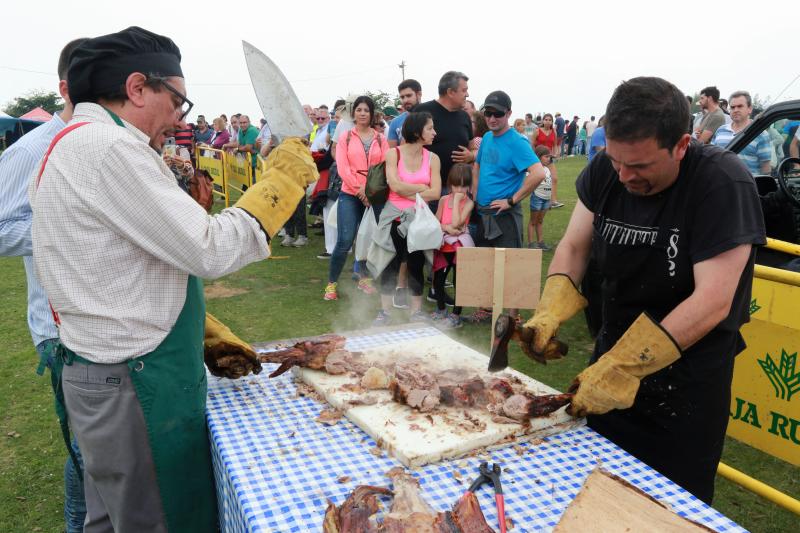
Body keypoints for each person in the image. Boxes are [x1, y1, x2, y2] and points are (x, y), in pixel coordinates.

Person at [30, 27, 318, 532]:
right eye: (179, 103)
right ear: (138, 88)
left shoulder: (78, 143)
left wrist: (197, 322)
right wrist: (283, 180)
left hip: (106, 372)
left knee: (113, 518)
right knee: (160, 522)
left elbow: (120, 267)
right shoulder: (108, 149)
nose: (180, 121)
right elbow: (210, 247)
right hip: (134, 381)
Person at [518, 76, 765, 504]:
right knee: (594, 499)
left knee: (665, 512)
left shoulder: (722, 183)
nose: (625, 176)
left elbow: (713, 301)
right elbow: (576, 244)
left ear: (682, 145)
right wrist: (550, 309)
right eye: (617, 161)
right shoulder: (604, 169)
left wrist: (626, 368)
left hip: (684, 389)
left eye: (641, 167)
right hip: (606, 364)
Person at [0, 37, 89, 533]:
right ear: (66, 89)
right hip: (59, 328)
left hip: (103, 321)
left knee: (106, 444)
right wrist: (61, 228)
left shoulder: (97, 145)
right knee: (87, 448)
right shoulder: (33, 147)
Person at [468, 90, 545, 324]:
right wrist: (474, 192)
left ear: (509, 113)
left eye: (497, 114)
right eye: (488, 113)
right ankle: (486, 309)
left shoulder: (517, 142)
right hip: (482, 211)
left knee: (512, 264)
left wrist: (512, 200)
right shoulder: (488, 137)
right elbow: (478, 165)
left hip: (504, 213)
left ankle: (512, 317)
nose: (492, 118)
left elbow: (538, 173)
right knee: (485, 263)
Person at [370, 111, 442, 325]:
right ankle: (384, 311)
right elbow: (394, 185)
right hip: (394, 216)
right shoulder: (394, 154)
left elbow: (436, 192)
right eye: (430, 128)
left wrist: (408, 191)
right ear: (417, 130)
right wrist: (421, 188)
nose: (434, 132)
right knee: (391, 262)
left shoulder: (433, 158)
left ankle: (416, 311)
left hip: (419, 219)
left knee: (416, 263)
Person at [325, 95, 389, 300]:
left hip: (375, 194)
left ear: (372, 114)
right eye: (359, 110)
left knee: (369, 239)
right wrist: (360, 190)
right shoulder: (346, 137)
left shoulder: (380, 138)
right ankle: (331, 285)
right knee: (345, 240)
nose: (362, 113)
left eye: (366, 110)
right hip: (350, 194)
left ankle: (364, 278)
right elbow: (343, 167)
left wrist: (370, 191)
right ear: (354, 113)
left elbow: (386, 166)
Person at [431, 163, 474, 329]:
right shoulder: (443, 200)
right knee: (439, 281)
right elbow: (436, 221)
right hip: (443, 247)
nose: (460, 190)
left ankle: (456, 315)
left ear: (469, 186)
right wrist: (447, 228)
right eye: (456, 185)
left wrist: (456, 201)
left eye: (464, 186)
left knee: (459, 281)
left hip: (460, 249)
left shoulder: (469, 203)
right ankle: (441, 310)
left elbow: (457, 222)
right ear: (450, 184)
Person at [712, 90, 772, 175]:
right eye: (732, 107)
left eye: (740, 106)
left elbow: (765, 167)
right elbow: (713, 157)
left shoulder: (760, 133)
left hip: (748, 186)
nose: (735, 110)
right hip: (721, 185)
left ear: (749, 109)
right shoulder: (720, 130)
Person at [527, 145, 555, 249]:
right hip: (537, 198)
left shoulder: (547, 169)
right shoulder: (533, 169)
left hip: (546, 199)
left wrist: (551, 200)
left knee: (540, 221)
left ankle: (540, 242)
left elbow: (550, 184)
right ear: (539, 157)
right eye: (546, 156)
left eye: (549, 157)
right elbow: (528, 182)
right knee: (533, 221)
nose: (549, 159)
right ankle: (531, 243)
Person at [388, 79, 422, 148]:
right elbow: (392, 152)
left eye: (409, 95)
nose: (405, 100)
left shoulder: (432, 116)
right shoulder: (395, 122)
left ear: (419, 94)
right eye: (402, 97)